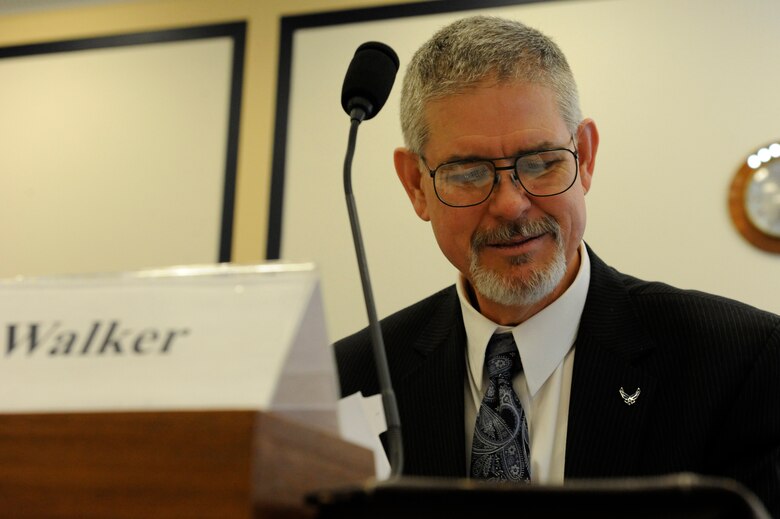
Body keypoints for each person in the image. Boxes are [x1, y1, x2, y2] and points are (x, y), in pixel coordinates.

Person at [333, 14, 779, 517]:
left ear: (584, 157)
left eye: (542, 163)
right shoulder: (346, 380)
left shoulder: (743, 363)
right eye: (469, 173)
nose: (510, 205)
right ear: (416, 184)